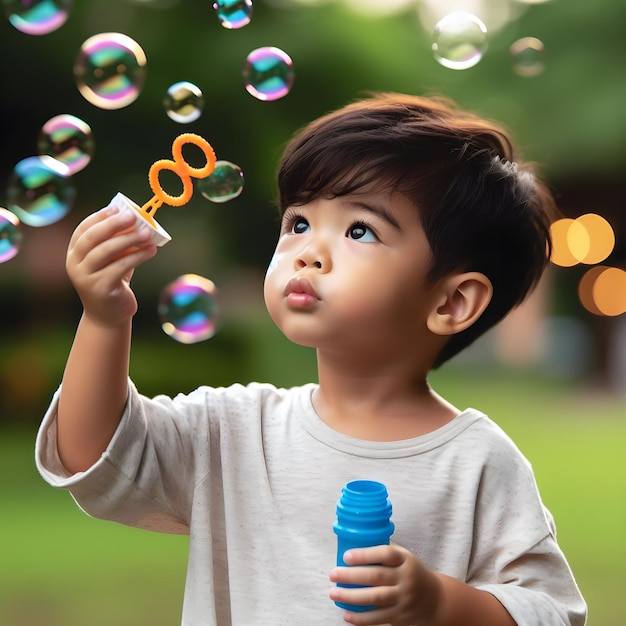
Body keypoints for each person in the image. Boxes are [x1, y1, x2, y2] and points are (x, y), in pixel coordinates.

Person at [36, 92, 587, 626]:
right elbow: (92, 456)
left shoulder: (477, 462)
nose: (307, 249)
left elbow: (551, 612)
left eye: (359, 229)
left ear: (451, 301)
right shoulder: (235, 430)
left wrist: (440, 604)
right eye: (298, 222)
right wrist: (105, 319)